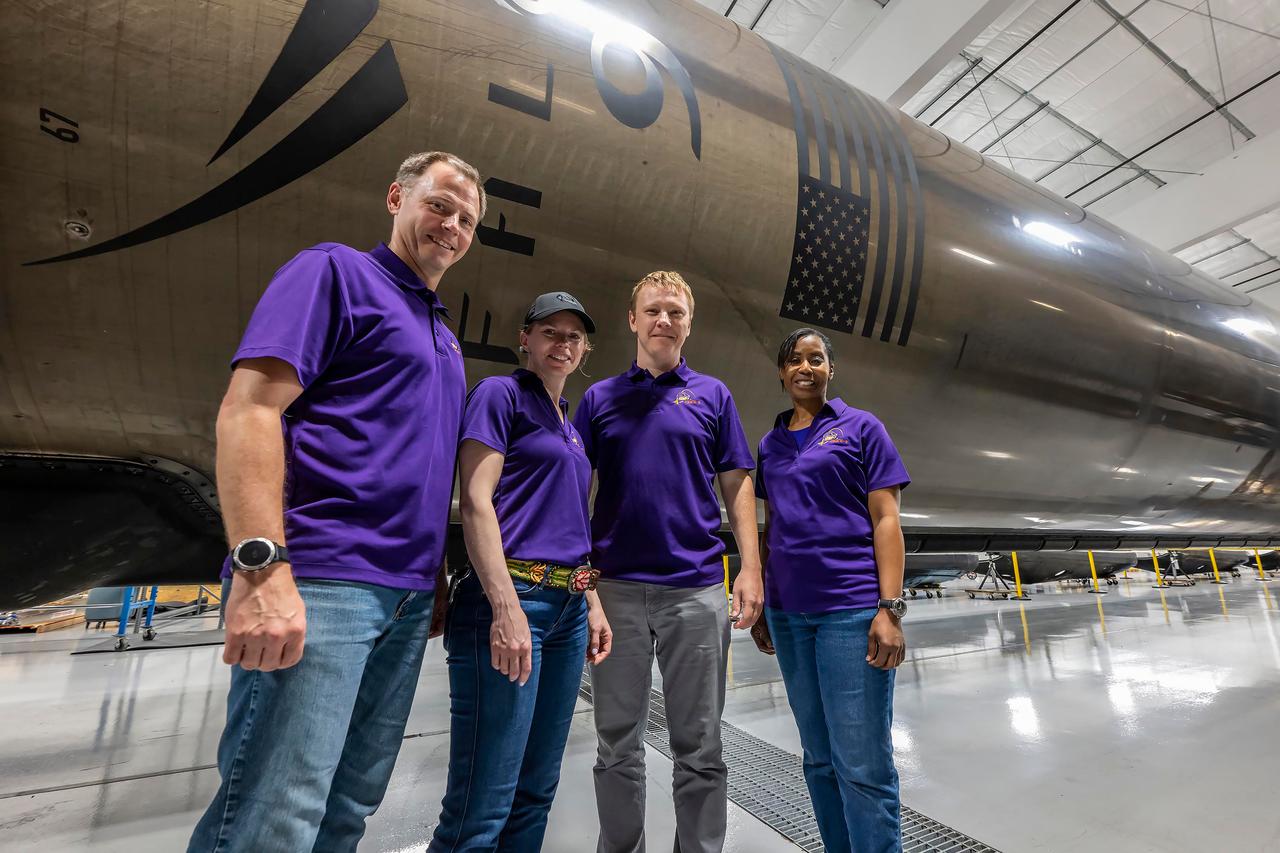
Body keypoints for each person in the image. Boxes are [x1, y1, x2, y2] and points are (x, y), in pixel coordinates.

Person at [188, 151, 485, 853]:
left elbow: (415, 459)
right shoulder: (334, 272)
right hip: (325, 583)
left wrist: (433, 576)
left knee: (348, 806)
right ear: (396, 197)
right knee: (274, 813)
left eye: (467, 218)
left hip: (406, 599)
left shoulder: (441, 331)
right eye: (439, 204)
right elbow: (249, 409)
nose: (452, 225)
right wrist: (262, 567)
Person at [573, 271, 764, 853]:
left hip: (696, 589)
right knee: (616, 743)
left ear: (689, 323)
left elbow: (737, 484)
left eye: (675, 313)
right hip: (618, 594)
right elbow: (573, 489)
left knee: (702, 745)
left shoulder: (713, 396)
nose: (664, 321)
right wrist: (586, 584)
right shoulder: (599, 399)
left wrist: (751, 569)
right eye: (653, 311)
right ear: (633, 320)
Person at [429, 292, 613, 852]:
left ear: (584, 351)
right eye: (550, 332)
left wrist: (591, 601)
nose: (562, 343)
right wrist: (505, 607)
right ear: (525, 339)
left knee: (536, 790)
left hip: (565, 610)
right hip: (512, 602)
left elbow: (568, 520)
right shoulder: (499, 395)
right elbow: (476, 502)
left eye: (573, 337)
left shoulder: (570, 425)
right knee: (484, 800)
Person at [751, 328, 910, 853]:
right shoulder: (770, 444)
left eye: (816, 359)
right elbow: (771, 526)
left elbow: (886, 519)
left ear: (830, 370)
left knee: (862, 763)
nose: (804, 367)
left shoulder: (862, 428)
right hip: (789, 615)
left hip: (850, 610)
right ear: (780, 371)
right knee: (818, 758)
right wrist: (760, 605)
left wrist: (889, 607)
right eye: (794, 359)